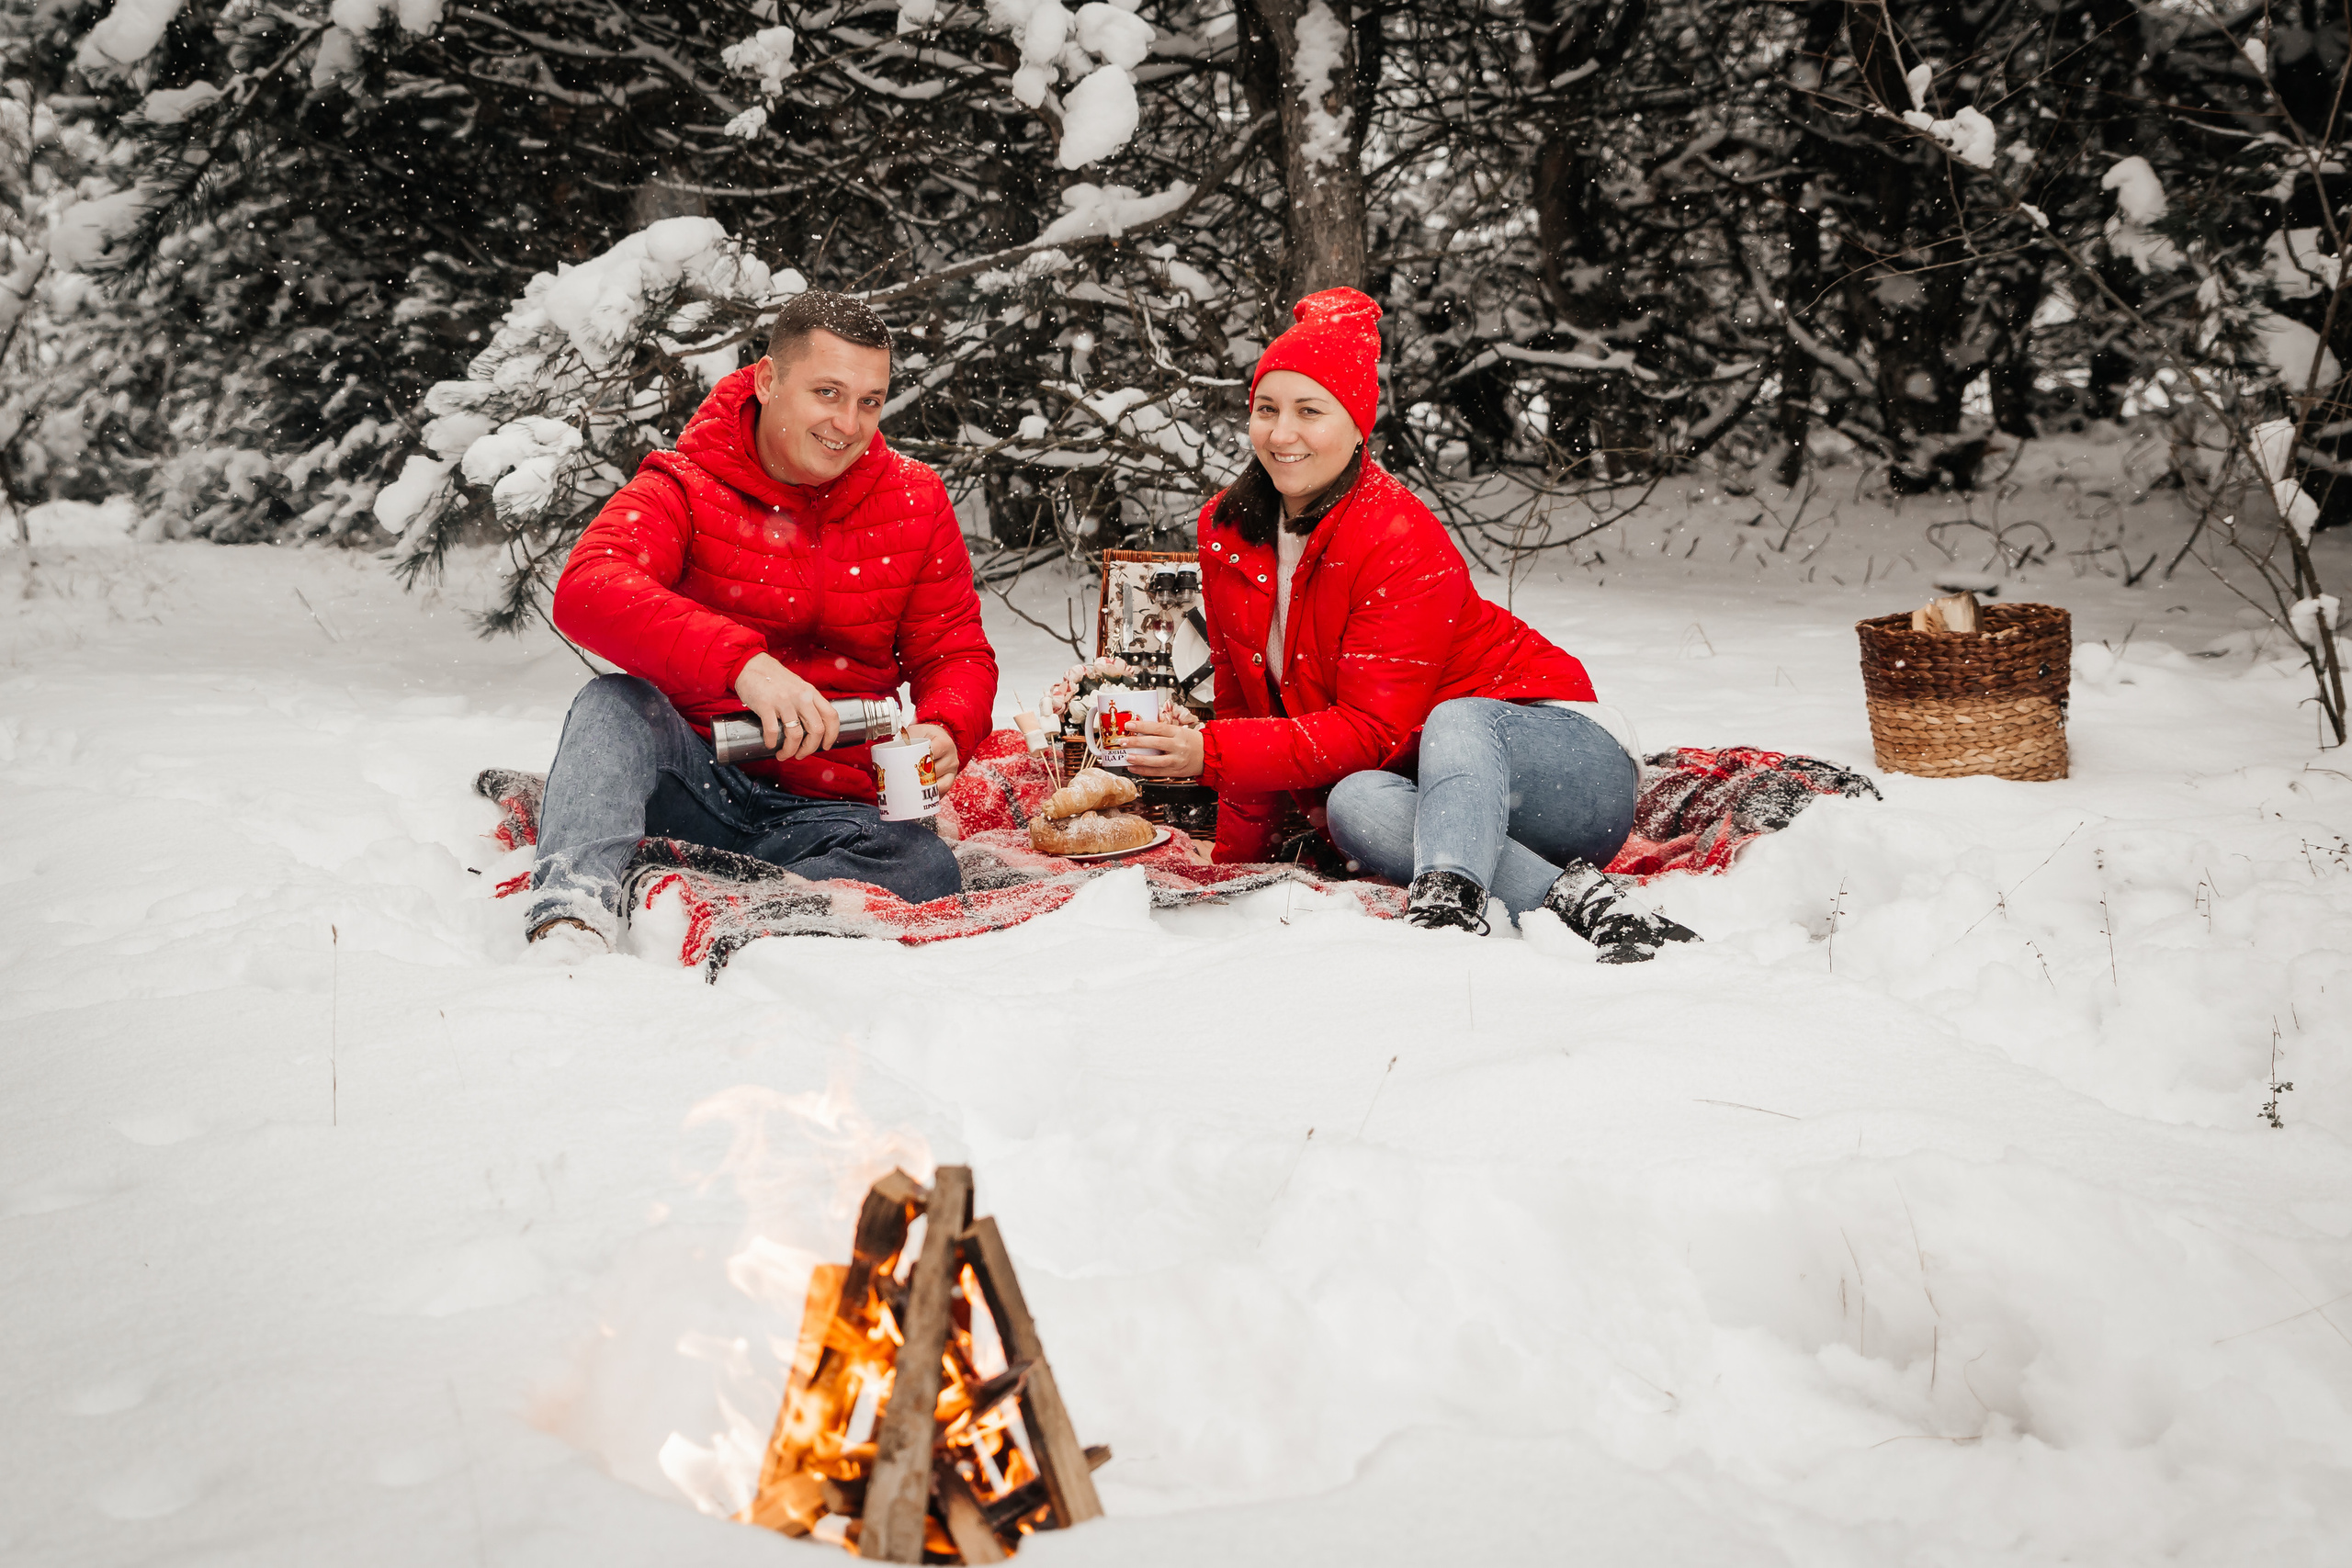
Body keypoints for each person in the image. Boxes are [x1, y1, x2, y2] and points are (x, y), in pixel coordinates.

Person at [1123, 288, 1698, 961]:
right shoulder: (1228, 531)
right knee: (1352, 804)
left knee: (1456, 717)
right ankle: (1580, 904)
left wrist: (1210, 754)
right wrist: (1233, 863)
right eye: (1266, 409)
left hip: (1564, 764)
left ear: (1357, 423)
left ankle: (1443, 928)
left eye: (1311, 411)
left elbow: (1369, 730)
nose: (1282, 434)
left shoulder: (1396, 533)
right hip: (1445, 795)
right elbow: (1241, 700)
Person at [520, 290, 997, 956]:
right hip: (694, 778)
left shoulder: (915, 498)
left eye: (869, 400)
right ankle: (570, 915)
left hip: (834, 815)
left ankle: (718, 898)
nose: (848, 423)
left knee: (927, 870)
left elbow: (956, 652)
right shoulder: (685, 481)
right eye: (827, 392)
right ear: (769, 380)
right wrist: (742, 665)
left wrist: (947, 723)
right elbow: (588, 586)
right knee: (611, 705)